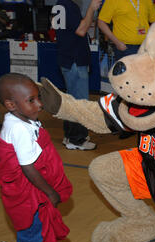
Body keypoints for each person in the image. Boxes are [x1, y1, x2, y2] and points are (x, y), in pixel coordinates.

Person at [0, 73, 73, 242]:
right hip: (30, 194)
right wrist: (50, 193)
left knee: (38, 230)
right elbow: (28, 168)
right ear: (11, 105)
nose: (39, 104)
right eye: (32, 100)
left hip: (34, 189)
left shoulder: (22, 117)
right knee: (34, 233)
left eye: (38, 97)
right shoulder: (18, 128)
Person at [55, 0, 101, 150]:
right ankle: (77, 139)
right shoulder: (69, 6)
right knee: (79, 103)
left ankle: (70, 136)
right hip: (74, 60)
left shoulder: (60, 4)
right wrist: (91, 9)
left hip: (67, 58)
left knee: (71, 100)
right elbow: (81, 30)